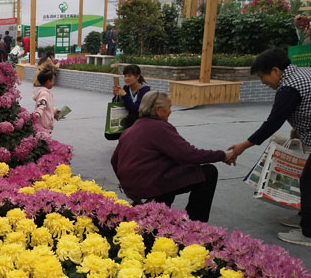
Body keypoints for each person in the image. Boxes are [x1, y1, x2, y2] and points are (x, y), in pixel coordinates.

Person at [227, 49, 311, 246]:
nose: (263, 82)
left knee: (308, 181)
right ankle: (304, 218)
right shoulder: (303, 72)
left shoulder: (289, 87)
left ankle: (308, 232)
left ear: (275, 71)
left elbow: (272, 123)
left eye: (262, 76)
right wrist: (297, 131)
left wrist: (243, 146)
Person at [111, 91, 233, 222]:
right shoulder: (160, 127)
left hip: (132, 185)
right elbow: (189, 154)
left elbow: (114, 160)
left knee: (172, 169)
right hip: (148, 184)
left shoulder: (131, 129)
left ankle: (160, 214)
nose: (170, 111)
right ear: (158, 110)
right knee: (209, 172)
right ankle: (195, 224)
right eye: (169, 107)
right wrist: (221, 155)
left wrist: (127, 183)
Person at [112, 64, 151, 129]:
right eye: (125, 76)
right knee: (109, 134)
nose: (126, 78)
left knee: (132, 117)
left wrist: (124, 95)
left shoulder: (145, 90)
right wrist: (117, 96)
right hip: (127, 118)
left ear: (137, 77)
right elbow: (117, 106)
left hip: (141, 120)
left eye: (129, 76)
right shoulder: (126, 88)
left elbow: (135, 109)